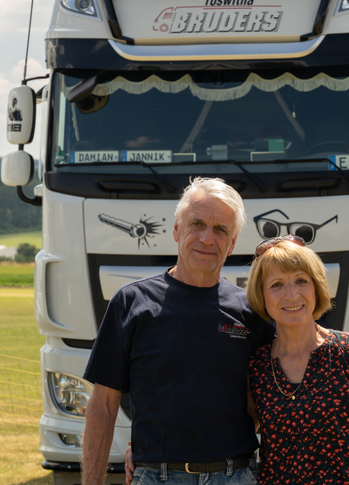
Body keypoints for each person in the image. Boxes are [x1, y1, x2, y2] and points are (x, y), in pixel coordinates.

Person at [82, 177, 273, 485]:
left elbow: (277, 399)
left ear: (233, 242)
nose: (207, 239)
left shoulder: (252, 312)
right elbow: (103, 407)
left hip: (236, 476)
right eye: (196, 224)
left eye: (221, 229)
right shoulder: (131, 303)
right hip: (157, 477)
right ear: (175, 229)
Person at [246, 235, 349, 485]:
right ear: (262, 295)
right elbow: (236, 438)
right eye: (276, 284)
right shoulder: (256, 365)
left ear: (316, 288)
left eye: (301, 281)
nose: (291, 294)